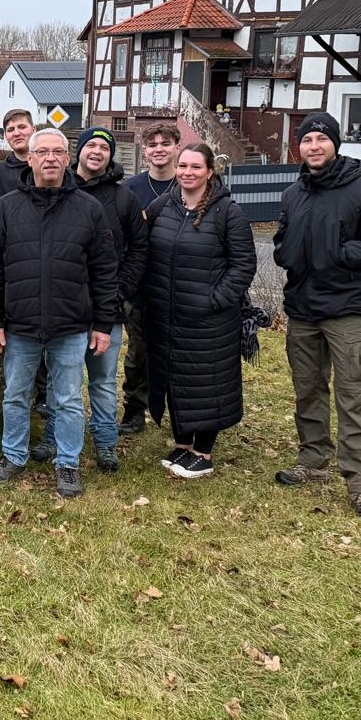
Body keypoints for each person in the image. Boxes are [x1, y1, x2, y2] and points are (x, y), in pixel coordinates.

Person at [272, 112, 361, 523]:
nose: (314, 146)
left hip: (348, 310)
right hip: (303, 309)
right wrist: (285, 252)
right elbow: (282, 238)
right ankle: (313, 460)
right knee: (308, 389)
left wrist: (342, 254)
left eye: (321, 139)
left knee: (355, 395)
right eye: (307, 140)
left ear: (335, 143)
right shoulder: (294, 193)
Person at [0, 128, 119, 497]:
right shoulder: (6, 208)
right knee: (16, 394)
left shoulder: (89, 209)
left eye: (58, 152)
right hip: (20, 324)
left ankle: (68, 464)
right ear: (31, 158)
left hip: (71, 323)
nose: (51, 158)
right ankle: (13, 456)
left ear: (68, 158)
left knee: (69, 398)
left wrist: (103, 322)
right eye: (43, 152)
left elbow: (105, 271)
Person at [140, 142, 257, 479]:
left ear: (209, 171)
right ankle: (182, 444)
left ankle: (202, 451)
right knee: (173, 377)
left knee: (207, 382)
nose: (187, 173)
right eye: (183, 167)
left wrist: (214, 300)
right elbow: (142, 233)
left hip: (209, 319)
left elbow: (243, 265)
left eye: (195, 167)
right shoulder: (168, 205)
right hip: (166, 314)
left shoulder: (227, 212)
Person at [34, 125, 148, 471]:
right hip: (64, 308)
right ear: (77, 152)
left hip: (106, 307)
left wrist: (120, 291)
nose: (97, 152)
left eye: (104, 147)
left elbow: (138, 248)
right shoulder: (57, 190)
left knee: (101, 380)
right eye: (91, 145)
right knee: (58, 379)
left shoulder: (123, 197)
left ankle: (105, 442)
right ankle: (53, 436)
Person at [119, 121, 181, 436]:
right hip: (141, 286)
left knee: (180, 352)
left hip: (180, 285)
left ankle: (182, 411)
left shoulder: (190, 183)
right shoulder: (131, 189)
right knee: (139, 352)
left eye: (165, 144)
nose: (159, 149)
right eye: (153, 144)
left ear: (176, 148)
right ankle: (134, 409)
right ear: (145, 151)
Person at [0, 108, 35, 202]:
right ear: (5, 136)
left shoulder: (49, 165)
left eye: (22, 127)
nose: (17, 133)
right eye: (10, 130)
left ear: (34, 130)